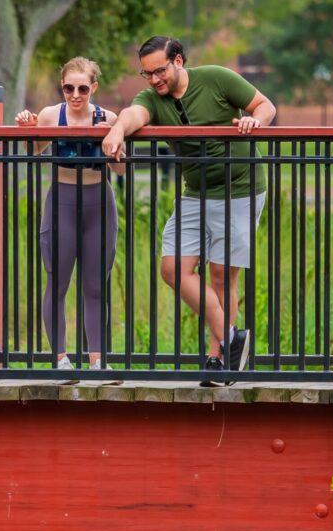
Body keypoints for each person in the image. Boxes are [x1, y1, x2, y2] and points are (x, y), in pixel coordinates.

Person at [101, 36, 276, 385]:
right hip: (195, 192)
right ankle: (232, 339)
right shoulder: (152, 97)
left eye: (160, 71)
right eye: (147, 74)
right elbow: (135, 113)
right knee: (173, 269)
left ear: (178, 61)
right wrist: (118, 130)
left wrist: (254, 121)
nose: (154, 80)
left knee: (222, 275)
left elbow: (264, 105)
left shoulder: (216, 78)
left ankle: (218, 359)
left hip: (239, 187)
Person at [15, 57, 124, 372]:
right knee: (58, 282)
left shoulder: (108, 117)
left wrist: (113, 143)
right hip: (61, 201)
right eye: (68, 88)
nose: (75, 95)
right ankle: (60, 358)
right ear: (61, 87)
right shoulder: (51, 115)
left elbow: (120, 169)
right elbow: (34, 150)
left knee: (94, 285)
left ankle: (98, 360)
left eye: (82, 88)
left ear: (94, 88)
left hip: (99, 202)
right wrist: (28, 127)